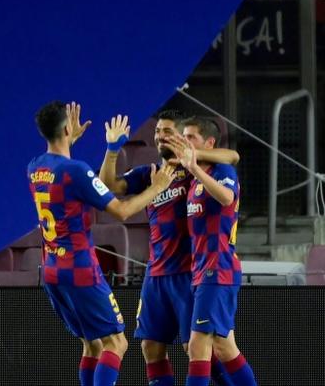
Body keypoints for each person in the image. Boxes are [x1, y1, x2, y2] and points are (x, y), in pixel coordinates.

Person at [28, 101, 175, 386]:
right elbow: (120, 211)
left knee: (92, 345)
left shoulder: (34, 167)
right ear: (69, 127)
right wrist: (157, 188)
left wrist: (69, 140)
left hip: (52, 270)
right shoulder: (77, 170)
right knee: (116, 343)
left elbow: (64, 176)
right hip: (80, 269)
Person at [98, 110, 239, 386]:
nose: (160, 136)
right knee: (150, 346)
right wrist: (112, 150)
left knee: (199, 350)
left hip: (190, 270)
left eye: (167, 132)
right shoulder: (151, 173)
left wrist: (192, 157)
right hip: (157, 272)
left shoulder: (194, 171)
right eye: (157, 132)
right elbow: (107, 185)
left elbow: (232, 157)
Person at [171, 117, 257, 386]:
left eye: (191, 137)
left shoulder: (221, 171)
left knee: (198, 346)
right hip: (200, 270)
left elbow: (227, 198)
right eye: (183, 136)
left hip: (217, 267)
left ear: (208, 143)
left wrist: (195, 167)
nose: (185, 141)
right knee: (223, 346)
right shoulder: (192, 177)